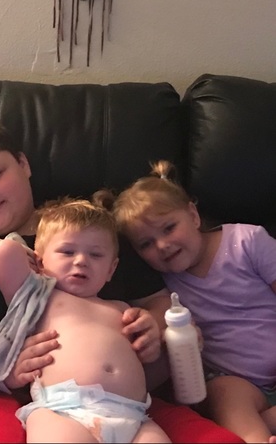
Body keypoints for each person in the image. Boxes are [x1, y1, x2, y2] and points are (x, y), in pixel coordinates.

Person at [0, 116, 205, 444]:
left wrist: (152, 326)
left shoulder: (90, 228)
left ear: (23, 164)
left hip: (128, 401)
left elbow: (160, 302)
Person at [108, 159, 276, 444]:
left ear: (193, 215)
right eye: (146, 244)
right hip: (237, 382)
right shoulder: (164, 286)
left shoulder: (247, 240)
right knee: (224, 393)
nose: (162, 245)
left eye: (169, 228)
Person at [0, 197, 170, 443]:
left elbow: (150, 365)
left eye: (95, 254)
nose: (81, 260)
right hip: (64, 410)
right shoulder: (42, 298)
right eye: (67, 251)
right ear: (39, 262)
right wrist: (31, 260)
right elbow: (3, 254)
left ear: (111, 269)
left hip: (134, 416)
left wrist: (153, 342)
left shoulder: (122, 309)